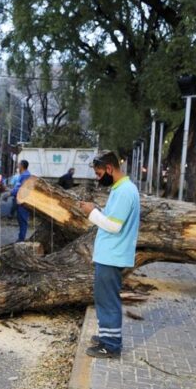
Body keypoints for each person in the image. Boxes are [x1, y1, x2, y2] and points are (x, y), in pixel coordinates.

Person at [78, 151, 140, 358]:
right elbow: (113, 217)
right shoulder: (120, 188)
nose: (98, 177)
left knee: (107, 300)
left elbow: (114, 226)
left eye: (98, 173)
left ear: (109, 169)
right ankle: (107, 336)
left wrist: (91, 213)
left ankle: (111, 345)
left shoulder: (124, 192)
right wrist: (98, 209)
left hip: (112, 255)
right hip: (110, 254)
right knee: (103, 297)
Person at [8, 160, 31, 242]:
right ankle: (21, 237)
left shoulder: (26, 175)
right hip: (18, 200)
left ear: (22, 166)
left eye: (18, 164)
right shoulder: (22, 175)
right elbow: (17, 186)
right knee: (20, 219)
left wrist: (10, 193)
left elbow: (22, 189)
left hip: (23, 201)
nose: (17, 165)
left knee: (23, 219)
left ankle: (21, 239)